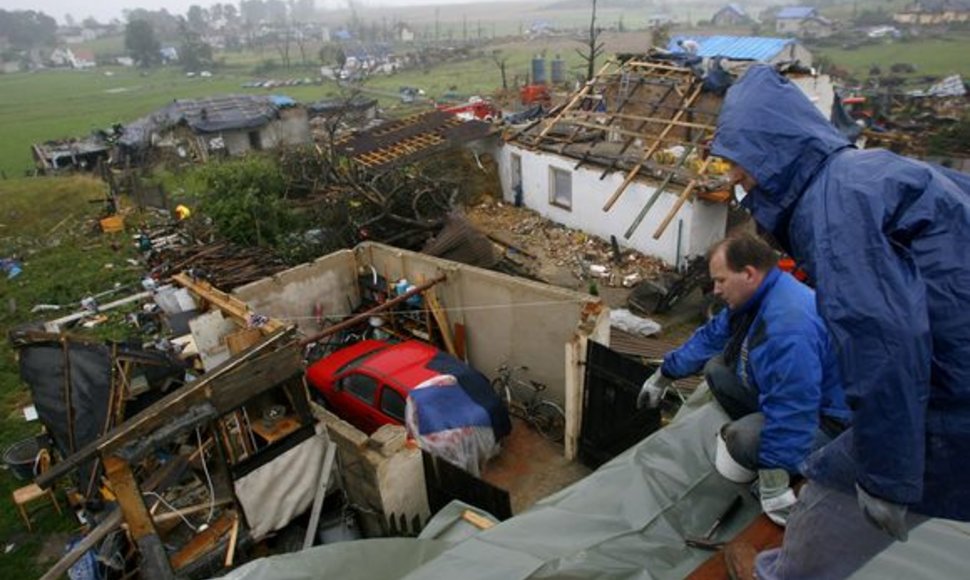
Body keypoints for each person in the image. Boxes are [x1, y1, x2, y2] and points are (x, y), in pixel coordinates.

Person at [710, 65, 970, 578]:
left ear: (772, 150)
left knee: (825, 505)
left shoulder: (834, 211)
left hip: (952, 397)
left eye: (739, 162)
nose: (736, 179)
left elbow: (886, 342)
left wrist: (884, 478)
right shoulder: (869, 172)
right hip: (947, 372)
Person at [638, 233, 850, 525]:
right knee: (716, 369)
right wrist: (663, 376)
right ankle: (771, 438)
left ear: (749, 274)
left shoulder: (788, 326)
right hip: (797, 399)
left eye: (721, 281)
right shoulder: (760, 295)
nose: (715, 290)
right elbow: (710, 338)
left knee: (742, 438)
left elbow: (794, 407)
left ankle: (793, 463)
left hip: (830, 420)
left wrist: (774, 482)